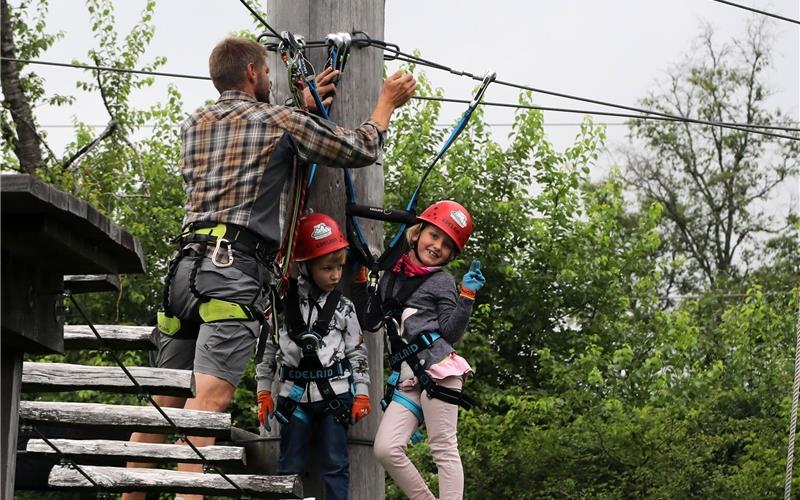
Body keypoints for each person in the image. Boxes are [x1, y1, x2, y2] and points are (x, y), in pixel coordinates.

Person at [121, 36, 415, 500]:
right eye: (269, 72)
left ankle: (131, 496)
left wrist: (296, 108)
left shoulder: (194, 122)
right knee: (206, 408)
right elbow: (358, 148)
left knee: (163, 406)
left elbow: (245, 143)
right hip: (232, 273)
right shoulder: (280, 121)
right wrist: (385, 105)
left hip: (182, 274)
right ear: (254, 72)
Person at [353, 200, 485, 500]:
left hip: (438, 370)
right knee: (386, 448)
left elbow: (451, 333)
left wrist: (466, 296)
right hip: (409, 377)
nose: (438, 246)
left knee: (443, 448)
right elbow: (371, 320)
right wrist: (361, 282)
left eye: (447, 245)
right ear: (418, 232)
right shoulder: (392, 274)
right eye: (434, 236)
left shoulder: (441, 281)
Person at [255, 212, 371, 500]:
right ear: (305, 266)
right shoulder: (281, 306)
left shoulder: (343, 308)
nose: (335, 275)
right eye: (326, 268)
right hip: (294, 399)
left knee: (335, 464)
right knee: (290, 464)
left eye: (339, 268)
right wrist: (262, 393)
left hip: (335, 398)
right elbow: (267, 349)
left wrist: (362, 393)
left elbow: (357, 351)